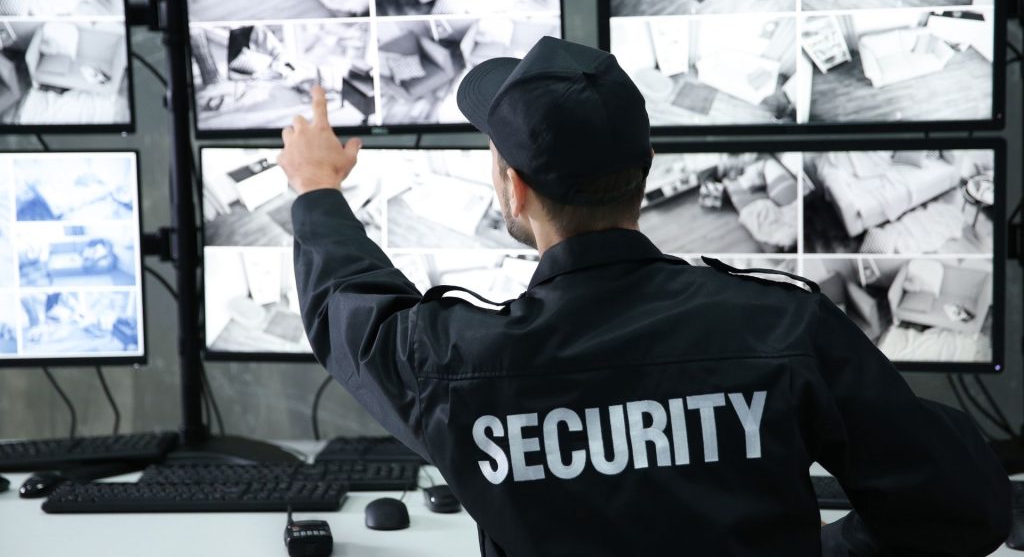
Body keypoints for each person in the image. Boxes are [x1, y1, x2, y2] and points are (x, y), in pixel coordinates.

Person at [278, 37, 1010, 556]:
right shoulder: (786, 329)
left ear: (514, 189)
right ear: (646, 167)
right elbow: (965, 509)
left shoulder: (457, 361)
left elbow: (353, 314)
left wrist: (317, 190)